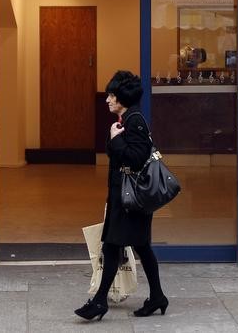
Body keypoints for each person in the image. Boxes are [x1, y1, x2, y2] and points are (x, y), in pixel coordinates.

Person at [75, 70, 168, 321]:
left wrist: (116, 140)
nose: (107, 99)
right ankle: (157, 296)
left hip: (130, 200)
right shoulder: (126, 120)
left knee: (113, 247)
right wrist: (115, 138)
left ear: (123, 98)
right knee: (138, 247)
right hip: (125, 198)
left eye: (112, 95)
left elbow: (137, 158)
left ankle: (99, 302)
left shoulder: (135, 120)